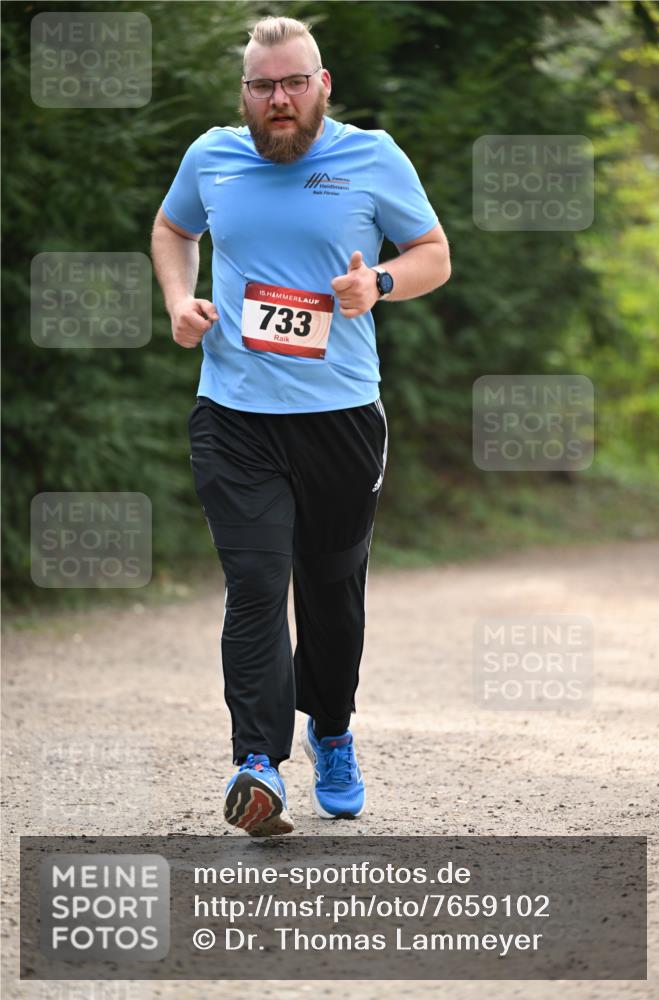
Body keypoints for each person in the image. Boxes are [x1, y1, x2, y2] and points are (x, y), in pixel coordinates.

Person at [152, 16, 451, 837]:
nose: (277, 99)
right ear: (243, 93)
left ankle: (333, 730)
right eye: (261, 86)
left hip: (341, 418)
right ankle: (257, 762)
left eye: (291, 83)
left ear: (322, 84)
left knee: (329, 593)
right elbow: (174, 229)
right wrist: (181, 301)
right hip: (235, 414)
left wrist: (379, 284)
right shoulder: (211, 156)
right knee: (254, 584)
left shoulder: (371, 157)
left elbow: (433, 251)